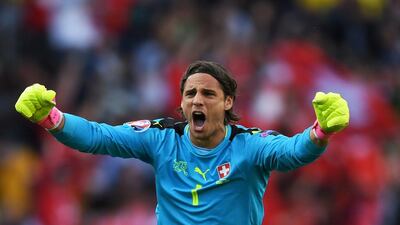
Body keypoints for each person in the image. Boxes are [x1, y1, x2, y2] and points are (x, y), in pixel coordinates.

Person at [15, 60, 349, 225]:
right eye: (190, 94)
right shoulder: (161, 138)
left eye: (208, 93)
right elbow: (99, 137)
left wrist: (319, 133)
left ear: (228, 101)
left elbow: (292, 153)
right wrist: (52, 118)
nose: (197, 100)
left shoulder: (251, 145)